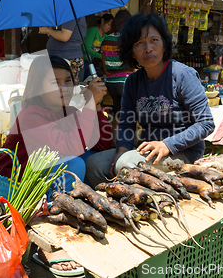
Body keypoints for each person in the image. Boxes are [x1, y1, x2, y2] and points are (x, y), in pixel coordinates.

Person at [0, 54, 110, 275]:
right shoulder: (31, 115)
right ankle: (48, 241)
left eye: (68, 81)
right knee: (74, 163)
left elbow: (102, 142)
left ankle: (69, 211)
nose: (64, 88)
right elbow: (73, 146)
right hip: (14, 187)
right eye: (55, 83)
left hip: (45, 183)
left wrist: (95, 106)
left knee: (91, 158)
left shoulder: (69, 112)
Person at [85, 13, 215, 186]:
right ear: (131, 51)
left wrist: (167, 145)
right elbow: (126, 123)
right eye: (139, 43)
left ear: (164, 44)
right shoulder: (133, 81)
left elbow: (206, 123)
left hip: (183, 152)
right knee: (94, 165)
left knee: (125, 165)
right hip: (144, 149)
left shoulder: (183, 75)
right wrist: (122, 149)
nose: (148, 48)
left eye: (154, 40)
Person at [99, 9, 132, 132]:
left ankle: (114, 141)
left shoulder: (106, 40)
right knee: (127, 113)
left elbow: (105, 65)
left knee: (117, 111)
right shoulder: (128, 40)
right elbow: (133, 65)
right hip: (125, 82)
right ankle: (126, 141)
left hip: (110, 83)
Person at [39, 18, 87, 85]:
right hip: (63, 56)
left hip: (68, 58)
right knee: (60, 86)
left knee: (65, 87)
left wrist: (48, 30)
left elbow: (64, 36)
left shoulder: (69, 12)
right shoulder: (66, 13)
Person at [79, 13, 114, 81]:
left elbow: (102, 51)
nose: (109, 28)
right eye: (108, 24)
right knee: (80, 81)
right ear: (102, 21)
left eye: (111, 26)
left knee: (89, 81)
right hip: (82, 59)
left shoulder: (105, 36)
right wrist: (100, 56)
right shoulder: (93, 30)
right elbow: (85, 48)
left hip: (90, 62)